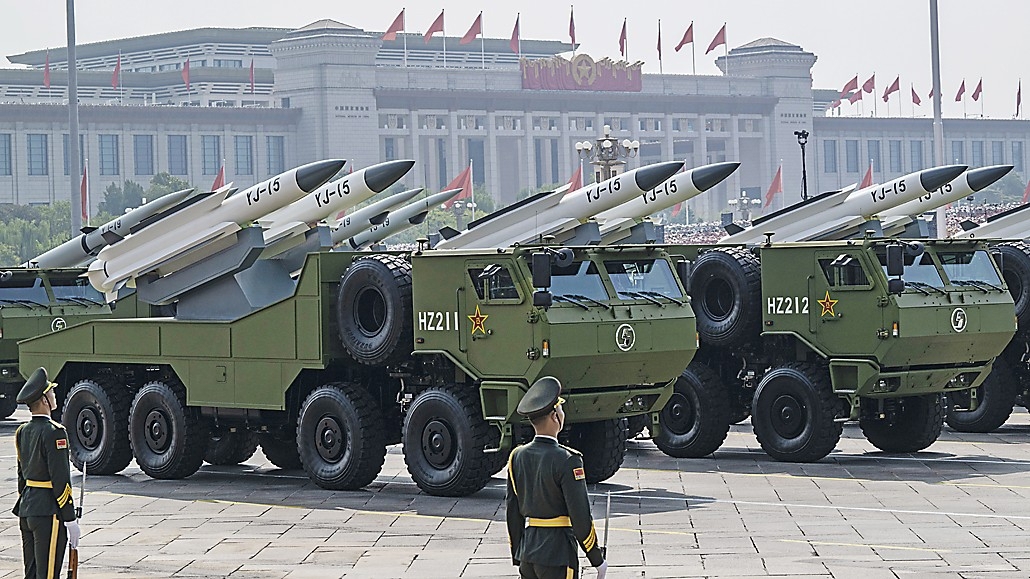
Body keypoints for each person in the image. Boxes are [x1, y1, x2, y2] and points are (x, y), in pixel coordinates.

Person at [506, 376, 608, 579]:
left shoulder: (516, 456)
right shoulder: (568, 460)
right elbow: (580, 516)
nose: (563, 413)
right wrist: (596, 558)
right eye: (560, 408)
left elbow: (513, 513)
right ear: (554, 417)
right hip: (558, 554)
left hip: (529, 553)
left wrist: (519, 552)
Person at [13, 367, 80, 579]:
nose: (54, 395)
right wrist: (70, 518)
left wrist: (30, 502)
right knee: (49, 575)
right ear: (44, 400)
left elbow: (21, 478)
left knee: (32, 575)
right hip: (48, 512)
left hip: (27, 509)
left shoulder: (22, 431)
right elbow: (60, 479)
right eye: (50, 392)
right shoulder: (55, 432)